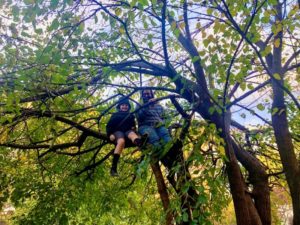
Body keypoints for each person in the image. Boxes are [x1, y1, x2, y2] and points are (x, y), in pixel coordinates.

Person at [106, 97, 142, 176]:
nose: (124, 106)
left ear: (128, 107)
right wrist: (110, 134)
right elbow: (109, 125)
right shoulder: (115, 115)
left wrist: (133, 128)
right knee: (121, 141)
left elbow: (133, 125)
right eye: (123, 105)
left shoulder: (131, 115)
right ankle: (114, 167)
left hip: (128, 131)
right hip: (118, 131)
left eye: (126, 105)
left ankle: (139, 143)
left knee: (133, 135)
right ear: (119, 106)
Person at [136, 89, 172, 157]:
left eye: (148, 94)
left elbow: (167, 117)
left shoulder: (158, 106)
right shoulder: (139, 105)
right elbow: (139, 117)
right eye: (145, 94)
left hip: (159, 126)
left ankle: (175, 157)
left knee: (167, 139)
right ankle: (164, 158)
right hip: (145, 126)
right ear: (142, 95)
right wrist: (147, 105)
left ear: (151, 95)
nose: (147, 95)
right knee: (155, 140)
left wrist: (162, 123)